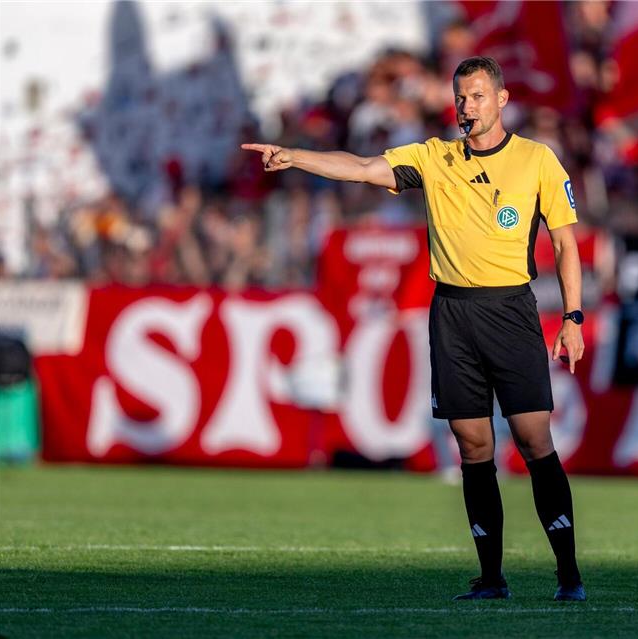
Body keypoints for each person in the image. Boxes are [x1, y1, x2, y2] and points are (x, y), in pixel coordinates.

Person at [242, 57, 586, 602]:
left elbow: (567, 244)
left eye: (477, 96)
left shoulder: (537, 160)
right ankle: (492, 577)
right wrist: (296, 157)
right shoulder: (433, 158)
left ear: (501, 99)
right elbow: (359, 167)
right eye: (461, 97)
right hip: (452, 313)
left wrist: (572, 318)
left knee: (532, 438)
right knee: (473, 446)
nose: (467, 107)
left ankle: (568, 573)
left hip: (511, 312)